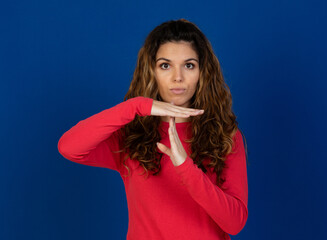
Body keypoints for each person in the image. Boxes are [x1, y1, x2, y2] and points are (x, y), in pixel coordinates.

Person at [58, 19, 248, 240]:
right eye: (165, 65)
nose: (178, 77)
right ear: (152, 72)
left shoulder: (225, 136)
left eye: (189, 65)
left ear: (202, 72)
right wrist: (137, 106)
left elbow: (235, 223)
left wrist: (185, 167)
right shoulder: (132, 135)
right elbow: (69, 147)